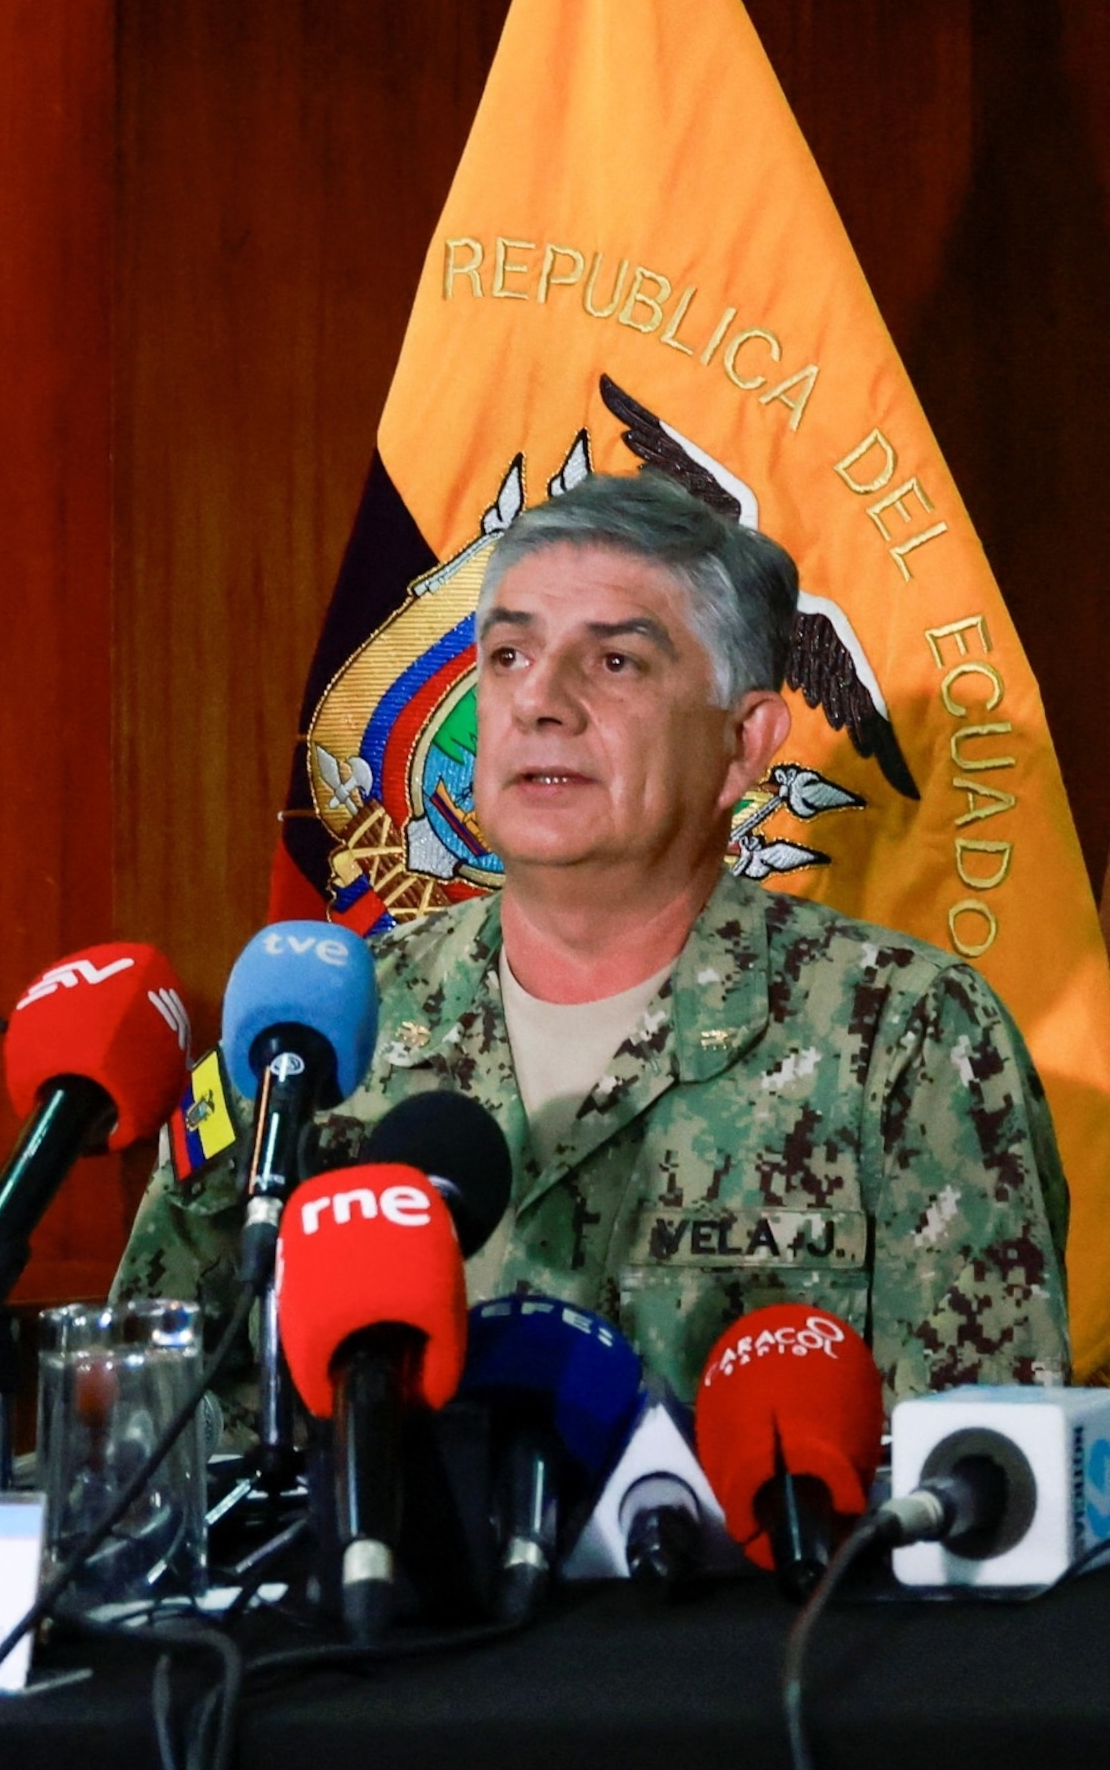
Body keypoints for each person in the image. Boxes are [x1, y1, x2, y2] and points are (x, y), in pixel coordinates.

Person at [117, 473, 1069, 1408]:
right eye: (508, 658)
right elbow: (150, 1417)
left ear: (743, 744)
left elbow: (981, 1486)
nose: (542, 702)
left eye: (615, 662)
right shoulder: (315, 1033)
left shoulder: (903, 1037)